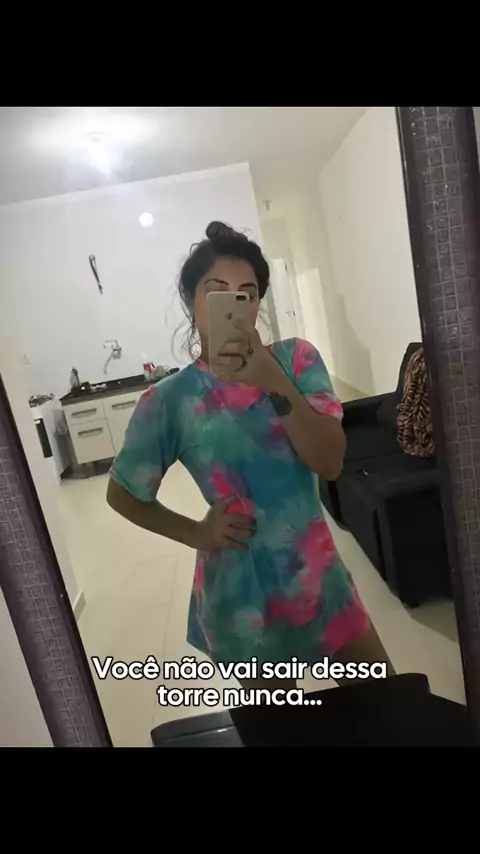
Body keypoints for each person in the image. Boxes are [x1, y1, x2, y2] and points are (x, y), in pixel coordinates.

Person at [107, 221, 394, 694]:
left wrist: (269, 377)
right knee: (280, 728)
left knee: (388, 705)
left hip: (320, 581)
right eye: (216, 291)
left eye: (247, 294)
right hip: (243, 598)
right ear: (190, 299)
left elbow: (330, 462)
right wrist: (196, 532)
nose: (234, 305)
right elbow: (122, 494)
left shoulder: (296, 361)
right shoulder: (170, 400)